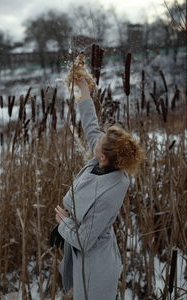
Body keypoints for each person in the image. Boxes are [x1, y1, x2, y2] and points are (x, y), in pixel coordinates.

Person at [54, 78, 145, 300]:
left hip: (95, 264)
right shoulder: (103, 161)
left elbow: (85, 240)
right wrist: (82, 86)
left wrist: (63, 223)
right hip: (80, 255)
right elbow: (90, 124)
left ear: (103, 156)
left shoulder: (111, 190)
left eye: (98, 142)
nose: (95, 139)